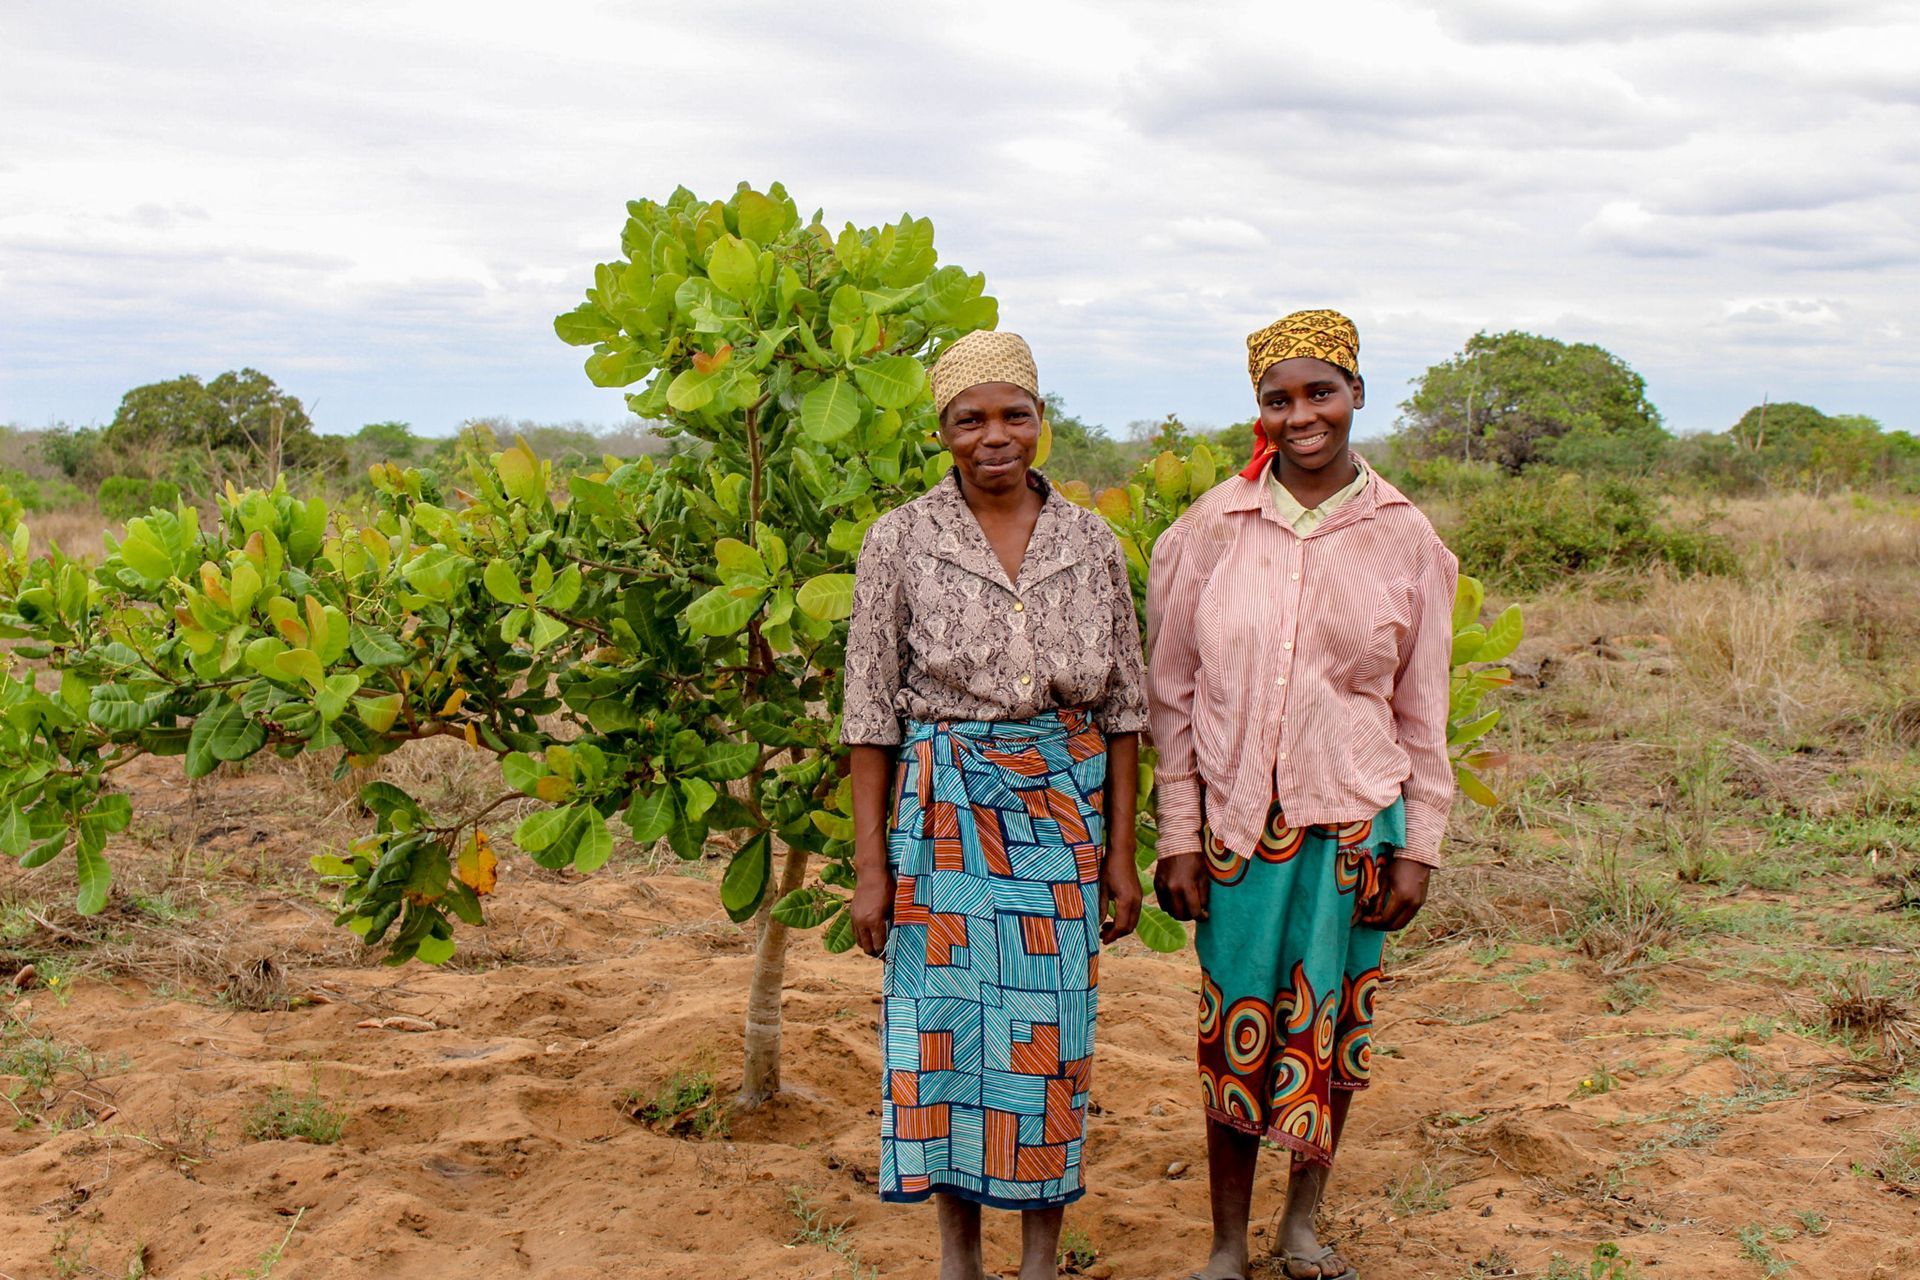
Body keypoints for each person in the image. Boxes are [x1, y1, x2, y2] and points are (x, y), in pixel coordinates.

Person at [1144, 310, 1458, 1280]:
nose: (1302, 415)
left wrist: (1419, 848)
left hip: (1354, 822)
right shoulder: (1210, 529)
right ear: (1261, 411)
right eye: (1278, 399)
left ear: (1356, 392)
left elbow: (1422, 710)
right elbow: (1171, 695)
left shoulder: (1406, 539)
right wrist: (1179, 832)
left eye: (1321, 392)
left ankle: (1302, 1225)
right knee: (1234, 1026)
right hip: (1238, 824)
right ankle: (1226, 1243)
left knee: (1333, 1030)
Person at [842, 330, 1150, 1280]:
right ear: (943, 431)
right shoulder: (900, 538)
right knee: (942, 1036)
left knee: (1048, 1037)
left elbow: (1126, 710)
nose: (994, 436)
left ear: (1041, 420)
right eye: (969, 419)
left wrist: (1122, 853)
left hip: (1061, 813)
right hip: (941, 816)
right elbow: (869, 715)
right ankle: (959, 1259)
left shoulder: (1090, 540)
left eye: (1014, 414)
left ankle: (1041, 1261)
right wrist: (870, 869)